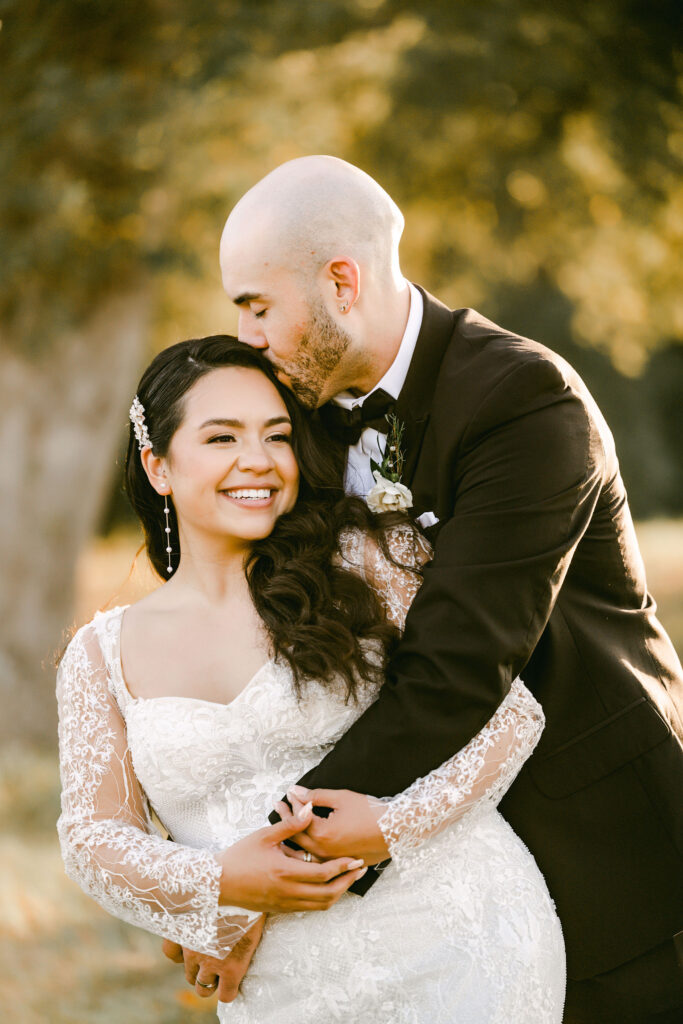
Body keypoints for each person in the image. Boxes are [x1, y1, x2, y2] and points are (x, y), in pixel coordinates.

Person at [209, 156, 683, 1023]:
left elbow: (457, 663)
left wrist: (266, 858)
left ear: (341, 282)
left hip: (597, 833)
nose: (247, 334)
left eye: (256, 305)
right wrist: (209, 863)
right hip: (429, 857)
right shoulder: (294, 414)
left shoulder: (525, 402)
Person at [57, 335, 566, 1022]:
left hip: (455, 941)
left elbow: (508, 716)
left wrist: (391, 826)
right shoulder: (100, 654)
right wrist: (217, 888)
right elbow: (95, 842)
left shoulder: (362, 558)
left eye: (276, 435)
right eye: (221, 438)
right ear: (158, 466)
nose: (257, 462)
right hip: (278, 993)